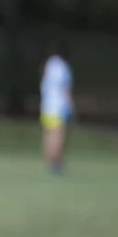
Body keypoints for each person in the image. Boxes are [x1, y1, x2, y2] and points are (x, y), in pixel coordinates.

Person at [39, 44, 73, 175]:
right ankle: (56, 162)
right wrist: (71, 106)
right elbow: (65, 89)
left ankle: (50, 161)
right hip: (59, 106)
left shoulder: (49, 65)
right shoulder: (64, 68)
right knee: (58, 135)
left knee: (48, 134)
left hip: (46, 105)